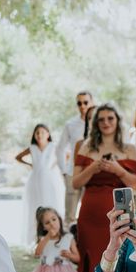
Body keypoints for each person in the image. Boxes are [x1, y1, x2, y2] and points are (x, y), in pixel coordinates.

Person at [72, 104, 136, 272]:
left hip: (122, 209)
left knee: (121, 261)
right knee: (94, 262)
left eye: (110, 118)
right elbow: (75, 183)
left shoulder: (130, 148)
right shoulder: (86, 146)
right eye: (101, 119)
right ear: (95, 123)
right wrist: (93, 167)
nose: (105, 122)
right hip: (91, 214)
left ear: (117, 120)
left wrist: (117, 170)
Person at [16, 124, 66, 246]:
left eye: (42, 132)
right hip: (35, 181)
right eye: (37, 133)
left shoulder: (53, 147)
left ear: (48, 134)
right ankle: (38, 239)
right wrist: (30, 165)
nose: (39, 135)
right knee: (36, 206)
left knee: (53, 204)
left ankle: (57, 237)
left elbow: (67, 155)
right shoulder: (32, 148)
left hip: (51, 180)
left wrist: (55, 164)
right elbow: (18, 157)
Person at [56, 91, 92, 225]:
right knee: (70, 215)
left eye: (86, 102)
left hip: (92, 174)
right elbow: (60, 148)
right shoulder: (70, 124)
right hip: (72, 173)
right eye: (79, 103)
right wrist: (64, 171)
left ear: (91, 102)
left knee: (89, 213)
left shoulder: (99, 124)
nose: (82, 106)